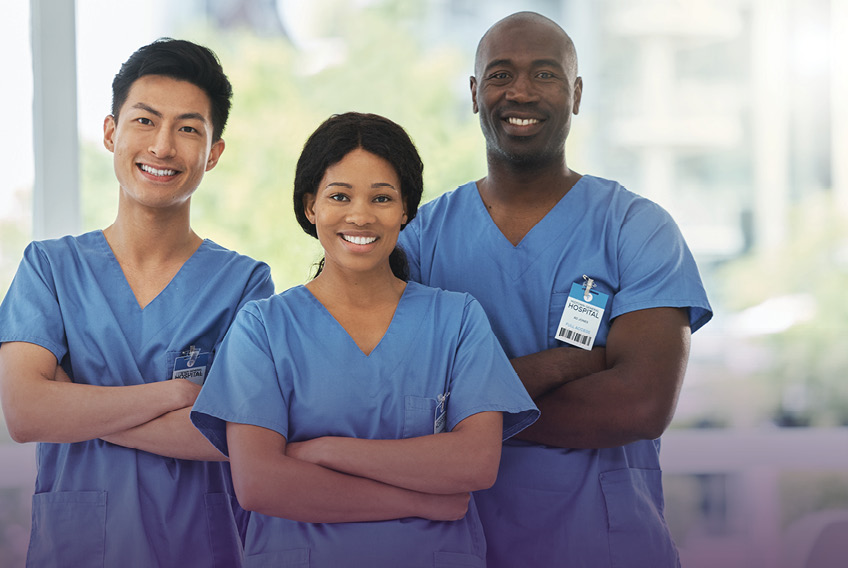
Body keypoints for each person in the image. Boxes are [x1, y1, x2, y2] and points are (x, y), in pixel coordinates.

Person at [397, 12, 713, 568]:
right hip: (462, 546)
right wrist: (565, 365)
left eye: (544, 74)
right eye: (500, 75)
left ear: (577, 93)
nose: (520, 90)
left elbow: (640, 403)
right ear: (475, 94)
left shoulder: (634, 228)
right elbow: (403, 407)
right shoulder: (420, 239)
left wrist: (469, 411)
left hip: (607, 546)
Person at [190, 112, 539, 567]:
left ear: (406, 210)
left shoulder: (456, 320)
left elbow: (475, 462)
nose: (360, 215)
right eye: (339, 196)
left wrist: (329, 451)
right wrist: (420, 500)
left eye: (381, 197)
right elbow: (261, 483)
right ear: (310, 206)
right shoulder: (263, 327)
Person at [0, 39, 273, 567]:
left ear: (213, 153)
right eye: (144, 121)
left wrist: (73, 407)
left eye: (188, 128)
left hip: (198, 551)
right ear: (112, 132)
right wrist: (180, 393)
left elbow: (233, 438)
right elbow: (26, 413)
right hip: (77, 551)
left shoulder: (244, 284)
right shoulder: (50, 269)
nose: (162, 146)